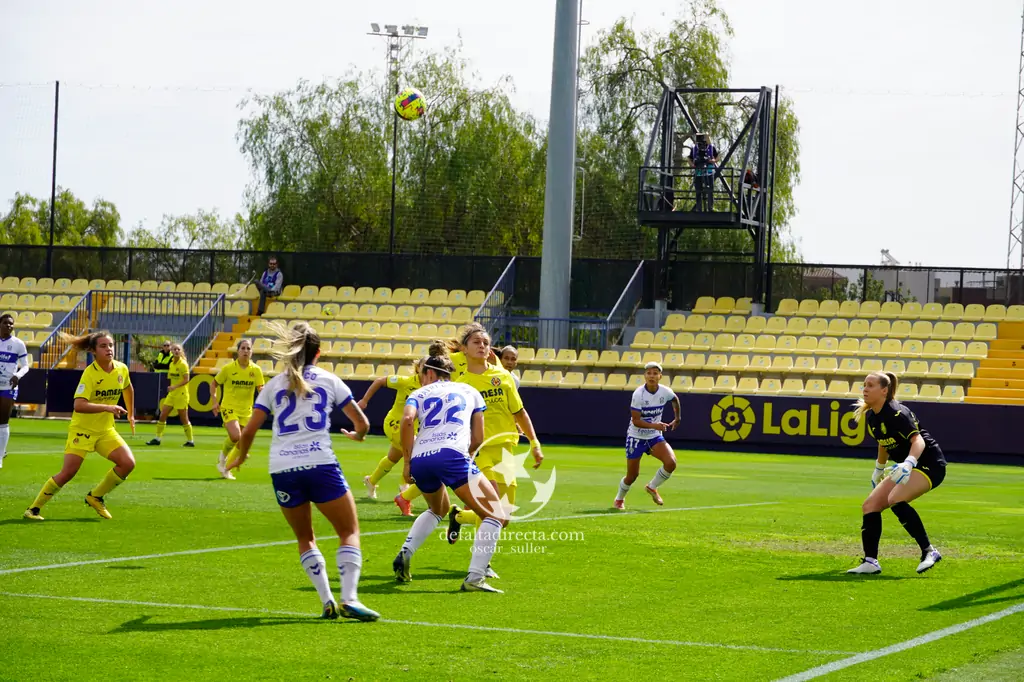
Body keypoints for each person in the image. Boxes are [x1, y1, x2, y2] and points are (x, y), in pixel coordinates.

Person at [228, 321, 378, 621]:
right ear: (318, 353)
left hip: (283, 469)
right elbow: (362, 424)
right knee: (348, 531)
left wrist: (240, 458)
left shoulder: (273, 385)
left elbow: (248, 432)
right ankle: (349, 597)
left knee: (306, 538)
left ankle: (326, 601)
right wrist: (357, 436)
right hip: (320, 463)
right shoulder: (329, 380)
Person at [392, 353, 506, 593]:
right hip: (452, 454)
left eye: (421, 374)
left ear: (430, 373)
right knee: (496, 515)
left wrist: (406, 463)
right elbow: (478, 438)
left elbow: (407, 420)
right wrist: (467, 457)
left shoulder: (418, 394)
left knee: (438, 509)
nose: (421, 379)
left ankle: (406, 552)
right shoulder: (469, 391)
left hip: (421, 458)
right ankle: (475, 578)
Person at [443, 323, 544, 548]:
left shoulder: (504, 378)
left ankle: (459, 516)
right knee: (491, 509)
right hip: (478, 452)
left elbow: (519, 412)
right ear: (464, 349)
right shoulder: (460, 386)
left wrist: (535, 443)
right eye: (476, 342)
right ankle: (480, 565)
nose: (482, 346)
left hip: (505, 451)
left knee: (504, 519)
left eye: (486, 343)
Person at [23, 330, 135, 521]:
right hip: (82, 431)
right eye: (103, 346)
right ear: (93, 351)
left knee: (127, 463)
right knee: (68, 473)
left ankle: (95, 496)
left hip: (105, 430)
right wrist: (108, 407)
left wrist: (131, 414)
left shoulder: (121, 368)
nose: (109, 349)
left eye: (110, 345)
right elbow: (79, 405)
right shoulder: (90, 374)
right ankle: (33, 509)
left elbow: (128, 388)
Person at [847, 372, 946, 575]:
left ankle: (929, 551)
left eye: (870, 385)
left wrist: (909, 463)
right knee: (870, 505)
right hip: (906, 466)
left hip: (928, 464)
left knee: (896, 499)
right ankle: (870, 561)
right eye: (864, 385)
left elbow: (918, 441)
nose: (865, 389)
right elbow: (884, 443)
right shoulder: (872, 415)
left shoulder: (897, 413)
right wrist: (878, 469)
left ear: (884, 390)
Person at [357, 342, 446, 506]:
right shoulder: (405, 382)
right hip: (394, 423)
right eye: (422, 365)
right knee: (413, 452)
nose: (425, 369)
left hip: (409, 428)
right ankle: (404, 488)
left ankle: (371, 480)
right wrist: (364, 400)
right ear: (418, 368)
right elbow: (379, 381)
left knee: (393, 458)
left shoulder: (433, 388)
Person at [614, 362, 680, 510]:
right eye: (649, 373)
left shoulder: (665, 391)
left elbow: (675, 399)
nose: (652, 376)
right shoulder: (638, 394)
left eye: (655, 373)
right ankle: (619, 499)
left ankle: (652, 487)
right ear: (644, 376)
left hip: (654, 436)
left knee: (671, 463)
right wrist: (655, 426)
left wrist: (678, 418)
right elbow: (636, 421)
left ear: (660, 376)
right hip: (636, 437)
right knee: (632, 476)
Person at [211, 338, 265, 480]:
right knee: (236, 436)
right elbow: (214, 383)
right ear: (238, 351)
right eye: (243, 348)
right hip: (229, 407)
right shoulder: (228, 369)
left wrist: (265, 395)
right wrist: (215, 401)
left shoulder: (256, 370)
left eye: (249, 348)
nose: (246, 351)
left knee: (239, 440)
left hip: (246, 410)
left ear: (252, 352)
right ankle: (223, 459)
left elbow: (260, 388)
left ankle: (225, 468)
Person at [146, 343, 194, 447]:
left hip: (181, 394)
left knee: (184, 418)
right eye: (174, 349)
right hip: (172, 394)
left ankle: (190, 441)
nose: (176, 351)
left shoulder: (183, 364)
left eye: (178, 349)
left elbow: (186, 380)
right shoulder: (172, 364)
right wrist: (172, 387)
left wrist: (174, 387)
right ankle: (157, 438)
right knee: (163, 414)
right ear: (171, 351)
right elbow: (172, 378)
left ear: (181, 351)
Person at [0, 313, 31, 469]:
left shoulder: (18, 344)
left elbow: (26, 365)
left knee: (3, 421)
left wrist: (17, 375)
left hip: (8, 387)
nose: (9, 326)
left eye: (11, 323)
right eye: (6, 323)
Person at [690, 132, 718, 212]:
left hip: (709, 172)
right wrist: (692, 164)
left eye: (703, 137)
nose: (702, 139)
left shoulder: (711, 147)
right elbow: (689, 158)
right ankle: (699, 208)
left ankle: (710, 208)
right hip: (698, 172)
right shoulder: (695, 148)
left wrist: (713, 160)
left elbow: (717, 156)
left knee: (710, 190)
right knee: (698, 190)